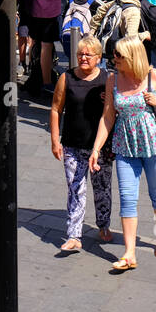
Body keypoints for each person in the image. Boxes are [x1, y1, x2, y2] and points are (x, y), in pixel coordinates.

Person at [89, 37, 156, 271]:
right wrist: (97, 148)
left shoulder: (153, 76)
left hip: (154, 144)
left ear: (132, 56)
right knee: (128, 198)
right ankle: (129, 253)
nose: (114, 59)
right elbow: (108, 116)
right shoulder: (113, 80)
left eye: (119, 56)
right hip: (124, 145)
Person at [49, 35, 113, 252]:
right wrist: (55, 139)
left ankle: (103, 224)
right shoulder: (67, 78)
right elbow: (56, 109)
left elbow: (113, 113)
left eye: (88, 54)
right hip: (72, 145)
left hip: (100, 146)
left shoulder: (107, 79)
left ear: (98, 57)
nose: (83, 58)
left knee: (102, 188)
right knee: (76, 188)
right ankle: (74, 235)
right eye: (80, 54)